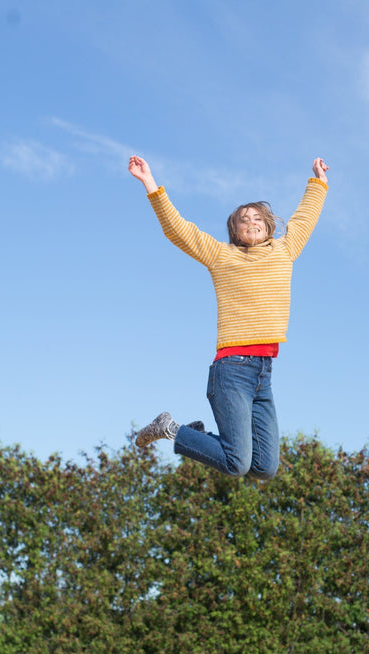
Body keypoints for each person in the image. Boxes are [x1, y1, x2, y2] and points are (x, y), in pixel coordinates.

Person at [128, 154, 329, 480]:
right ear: (234, 230)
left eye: (257, 219)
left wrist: (318, 181)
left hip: (264, 373)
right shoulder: (222, 256)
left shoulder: (285, 251)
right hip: (232, 370)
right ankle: (170, 428)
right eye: (243, 220)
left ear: (268, 225)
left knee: (264, 467)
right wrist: (150, 183)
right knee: (237, 464)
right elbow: (180, 231)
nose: (251, 222)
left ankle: (192, 436)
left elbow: (306, 217)